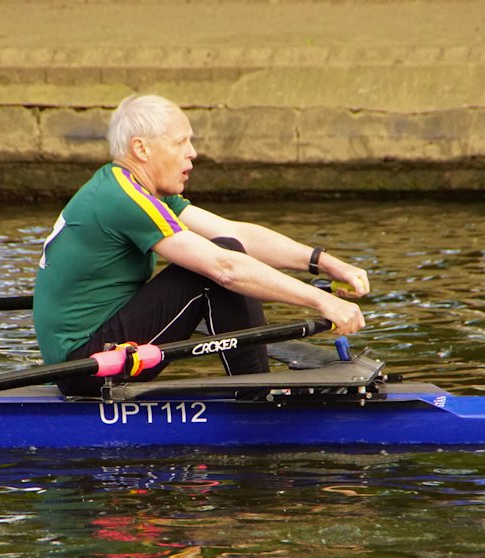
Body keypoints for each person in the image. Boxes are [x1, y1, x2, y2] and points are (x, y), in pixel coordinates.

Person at [33, 94, 370, 397]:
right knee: (210, 274)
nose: (193, 153)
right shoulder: (123, 198)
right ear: (141, 149)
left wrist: (325, 263)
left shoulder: (133, 190)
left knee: (225, 250)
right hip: (87, 368)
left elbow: (237, 235)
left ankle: (255, 387)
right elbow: (225, 268)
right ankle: (256, 395)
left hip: (92, 352)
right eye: (181, 142)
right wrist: (321, 301)